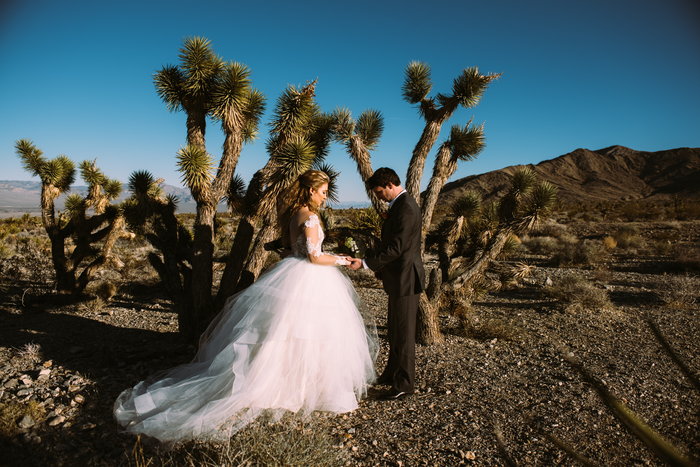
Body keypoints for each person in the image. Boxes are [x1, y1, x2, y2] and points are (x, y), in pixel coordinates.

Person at [114, 170, 377, 443]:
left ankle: (289, 385)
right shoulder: (309, 216)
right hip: (309, 277)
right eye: (323, 191)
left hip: (293, 275)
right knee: (308, 334)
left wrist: (327, 256)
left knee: (285, 333)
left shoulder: (293, 214)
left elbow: (291, 251)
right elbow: (313, 257)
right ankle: (299, 388)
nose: (325, 197)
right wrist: (343, 260)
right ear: (311, 191)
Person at [349, 168, 425, 400]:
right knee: (394, 329)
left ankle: (404, 384)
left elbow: (396, 248)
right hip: (398, 278)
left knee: (403, 333)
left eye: (381, 192)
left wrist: (365, 263)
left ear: (390, 184)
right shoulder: (400, 206)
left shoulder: (406, 208)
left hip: (406, 277)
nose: (380, 197)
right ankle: (392, 372)